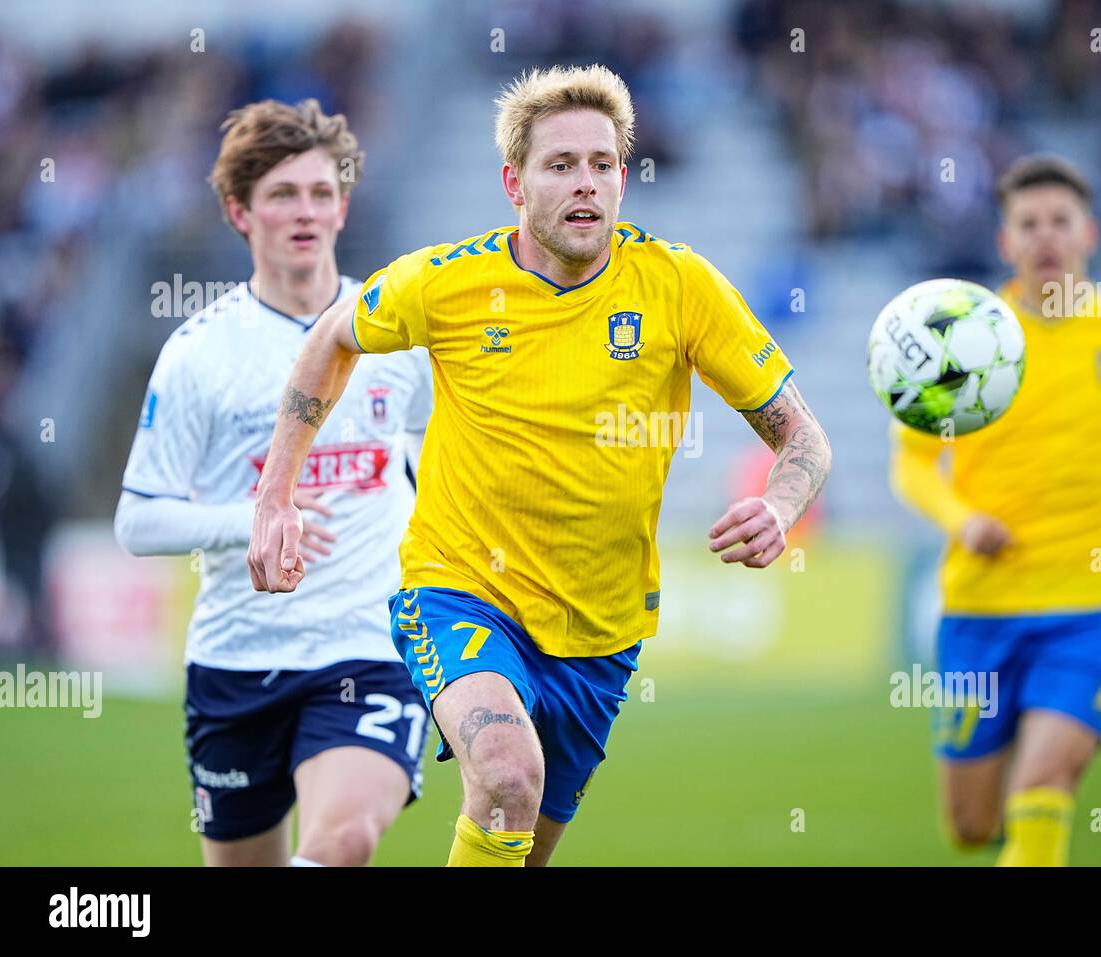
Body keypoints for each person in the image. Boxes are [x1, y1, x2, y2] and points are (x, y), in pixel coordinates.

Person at [247, 64, 832, 867]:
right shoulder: (449, 283)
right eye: (561, 165)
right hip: (460, 591)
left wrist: (779, 504)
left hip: (599, 635)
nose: (586, 183)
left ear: (623, 177)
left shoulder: (678, 285)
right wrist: (275, 495)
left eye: (602, 164)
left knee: (518, 846)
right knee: (508, 775)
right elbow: (330, 338)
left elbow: (803, 438)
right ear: (513, 182)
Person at [115, 99, 433, 866]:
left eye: (321, 193)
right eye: (282, 195)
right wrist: (255, 518)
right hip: (238, 659)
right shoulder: (200, 354)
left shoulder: (395, 331)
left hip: (371, 643)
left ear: (343, 206)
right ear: (239, 212)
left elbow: (425, 441)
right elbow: (137, 521)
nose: (305, 212)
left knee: (346, 838)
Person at [890, 154, 1101, 866]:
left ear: (1089, 233)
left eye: (1060, 221)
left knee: (1043, 782)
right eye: (1028, 223)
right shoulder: (965, 338)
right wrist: (961, 520)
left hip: (1092, 600)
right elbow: (911, 464)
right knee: (972, 825)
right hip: (980, 607)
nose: (1045, 237)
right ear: (1006, 242)